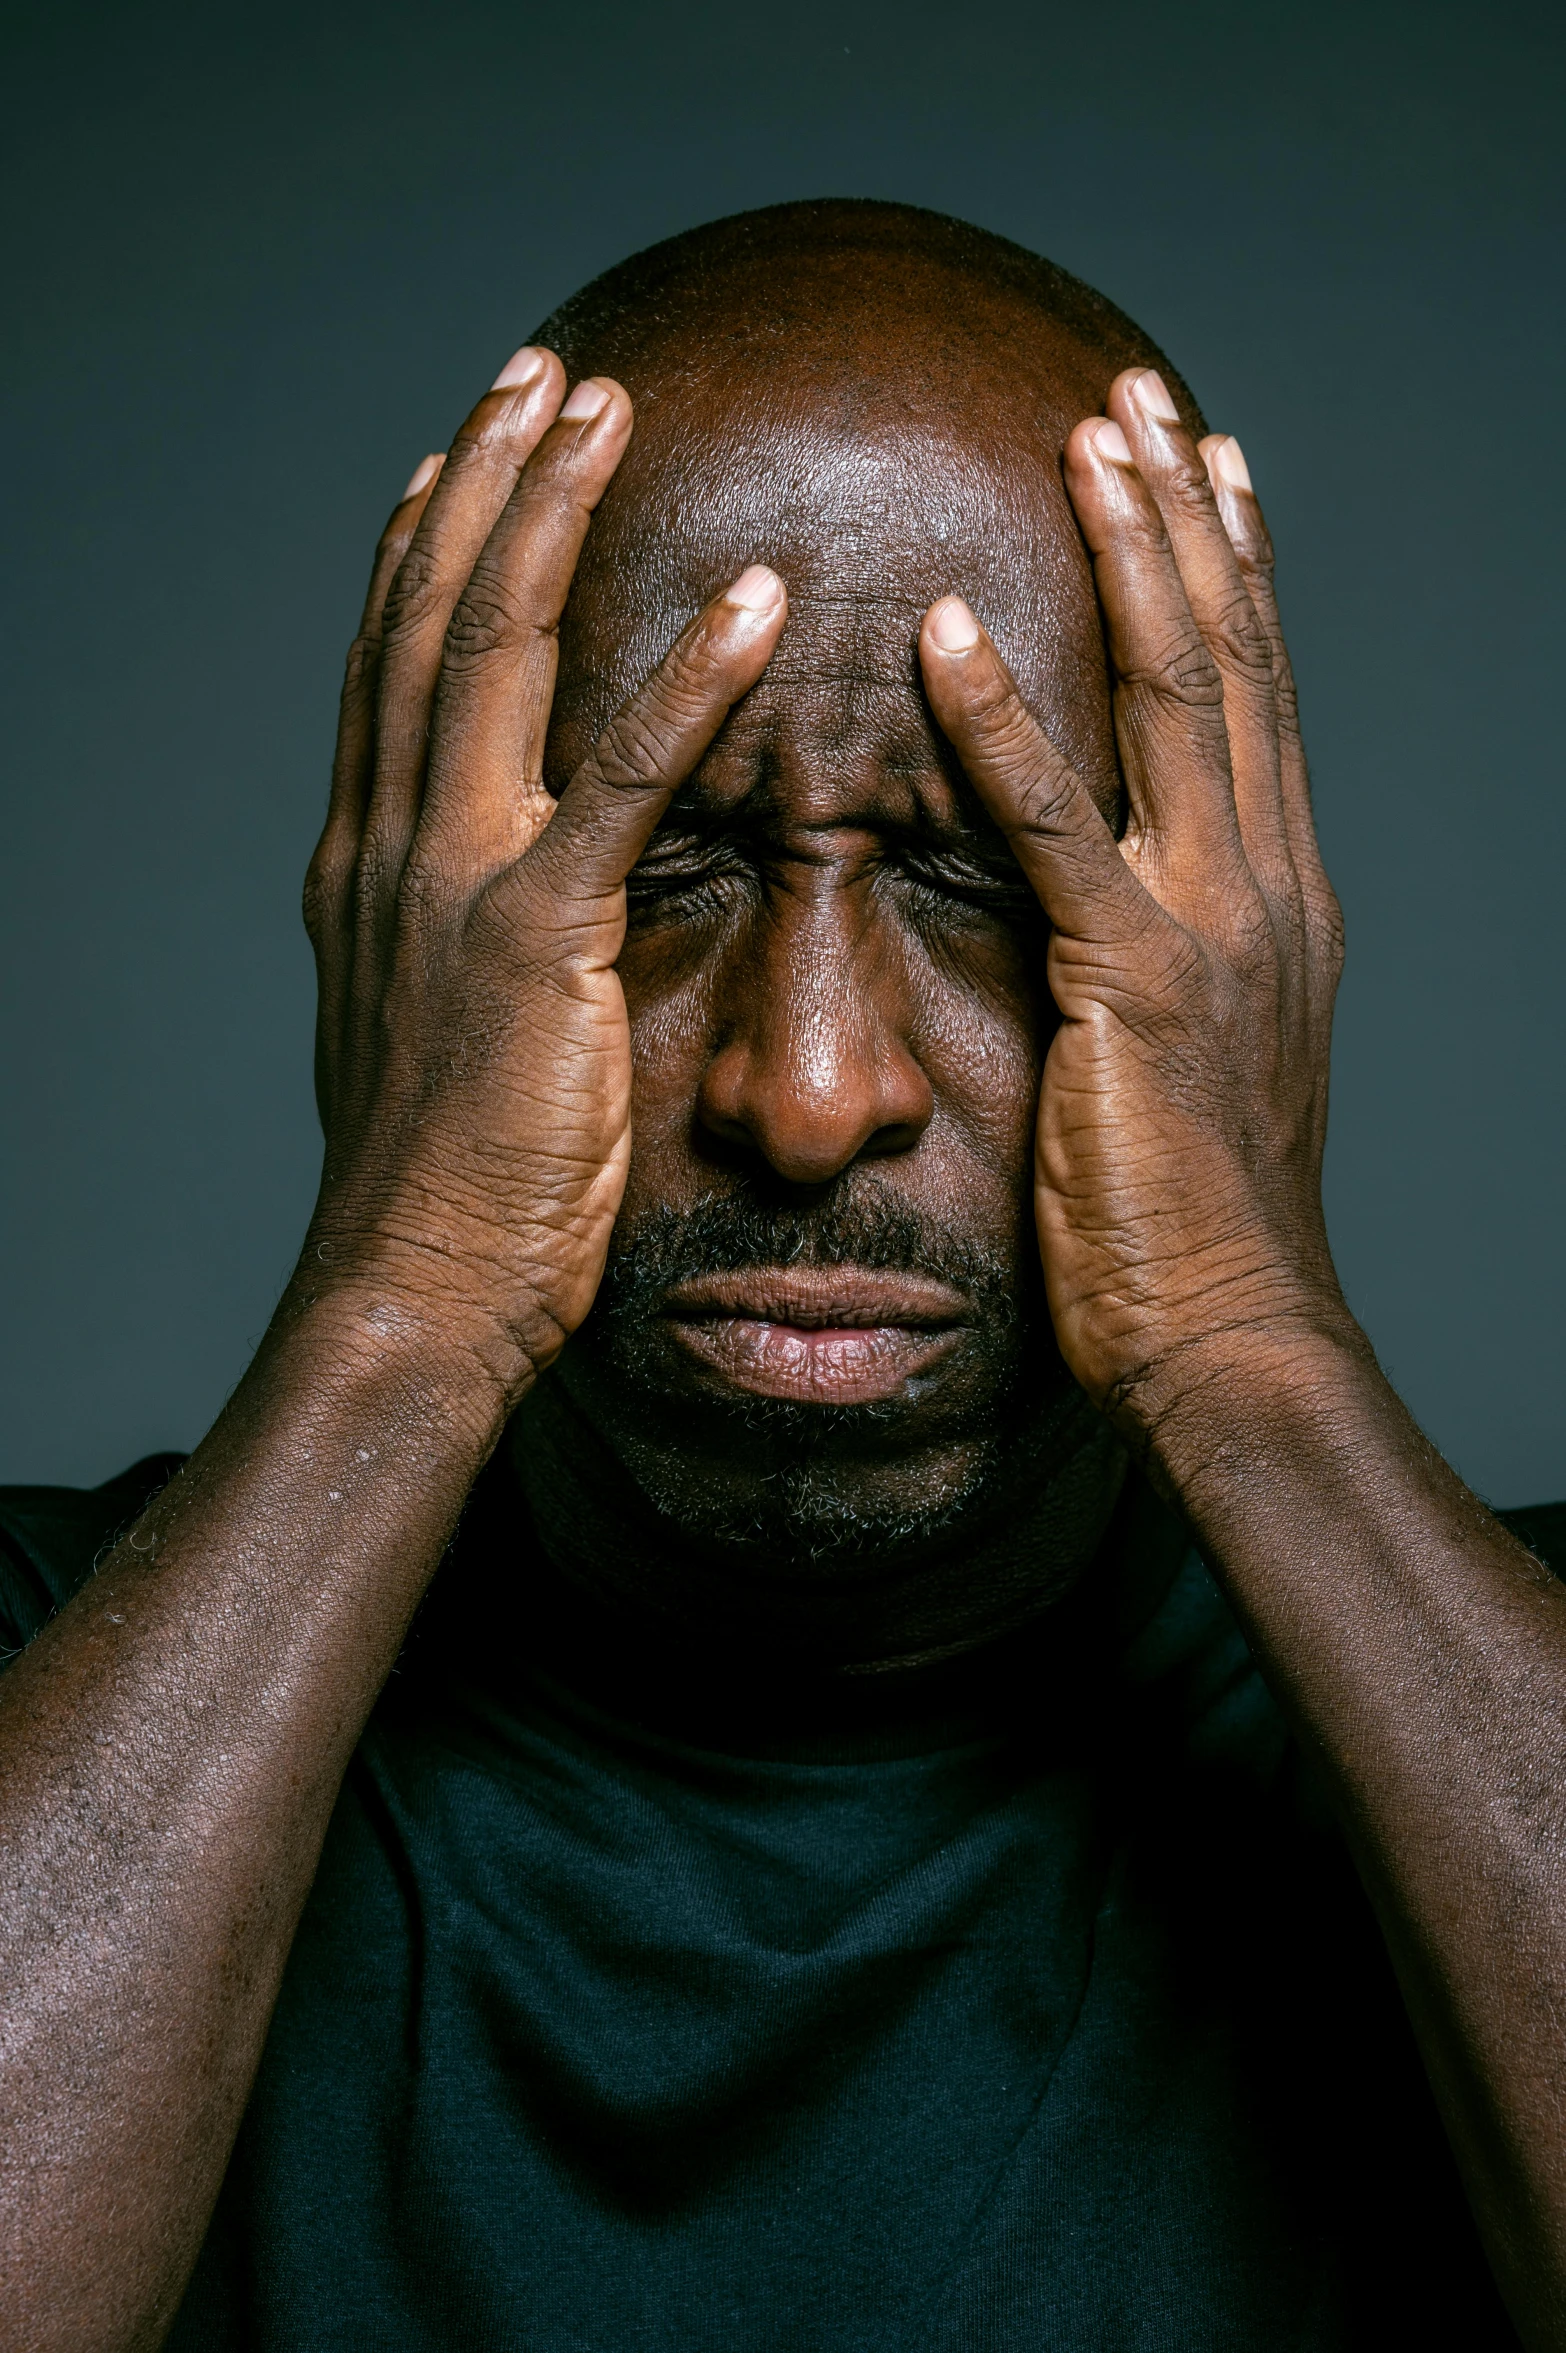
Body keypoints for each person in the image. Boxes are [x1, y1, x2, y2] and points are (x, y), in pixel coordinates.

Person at [0, 197, 1561, 2353]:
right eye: (659, 872)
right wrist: (402, 1311)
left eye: (981, 877)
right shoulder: (46, 1687)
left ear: (1238, 939)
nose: (807, 1092)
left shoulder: (1506, 1701)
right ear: (408, 914)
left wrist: (1252, 1353)